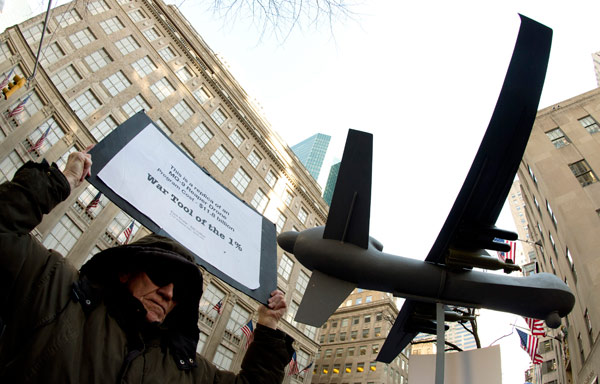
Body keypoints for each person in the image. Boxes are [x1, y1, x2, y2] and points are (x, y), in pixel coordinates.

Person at [0, 149, 294, 383]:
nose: (168, 292)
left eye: (181, 290)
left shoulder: (184, 370)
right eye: (162, 275)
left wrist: (268, 326)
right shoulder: (58, 293)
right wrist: (59, 181)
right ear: (126, 271)